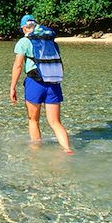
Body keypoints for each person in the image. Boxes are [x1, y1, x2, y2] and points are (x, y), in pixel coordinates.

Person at [10, 14, 72, 154]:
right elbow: (59, 65)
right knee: (55, 122)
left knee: (33, 120)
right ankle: (67, 149)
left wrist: (13, 87)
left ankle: (36, 153)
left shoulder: (24, 42)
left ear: (23, 28)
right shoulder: (51, 42)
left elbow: (18, 65)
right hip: (53, 83)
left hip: (35, 83)